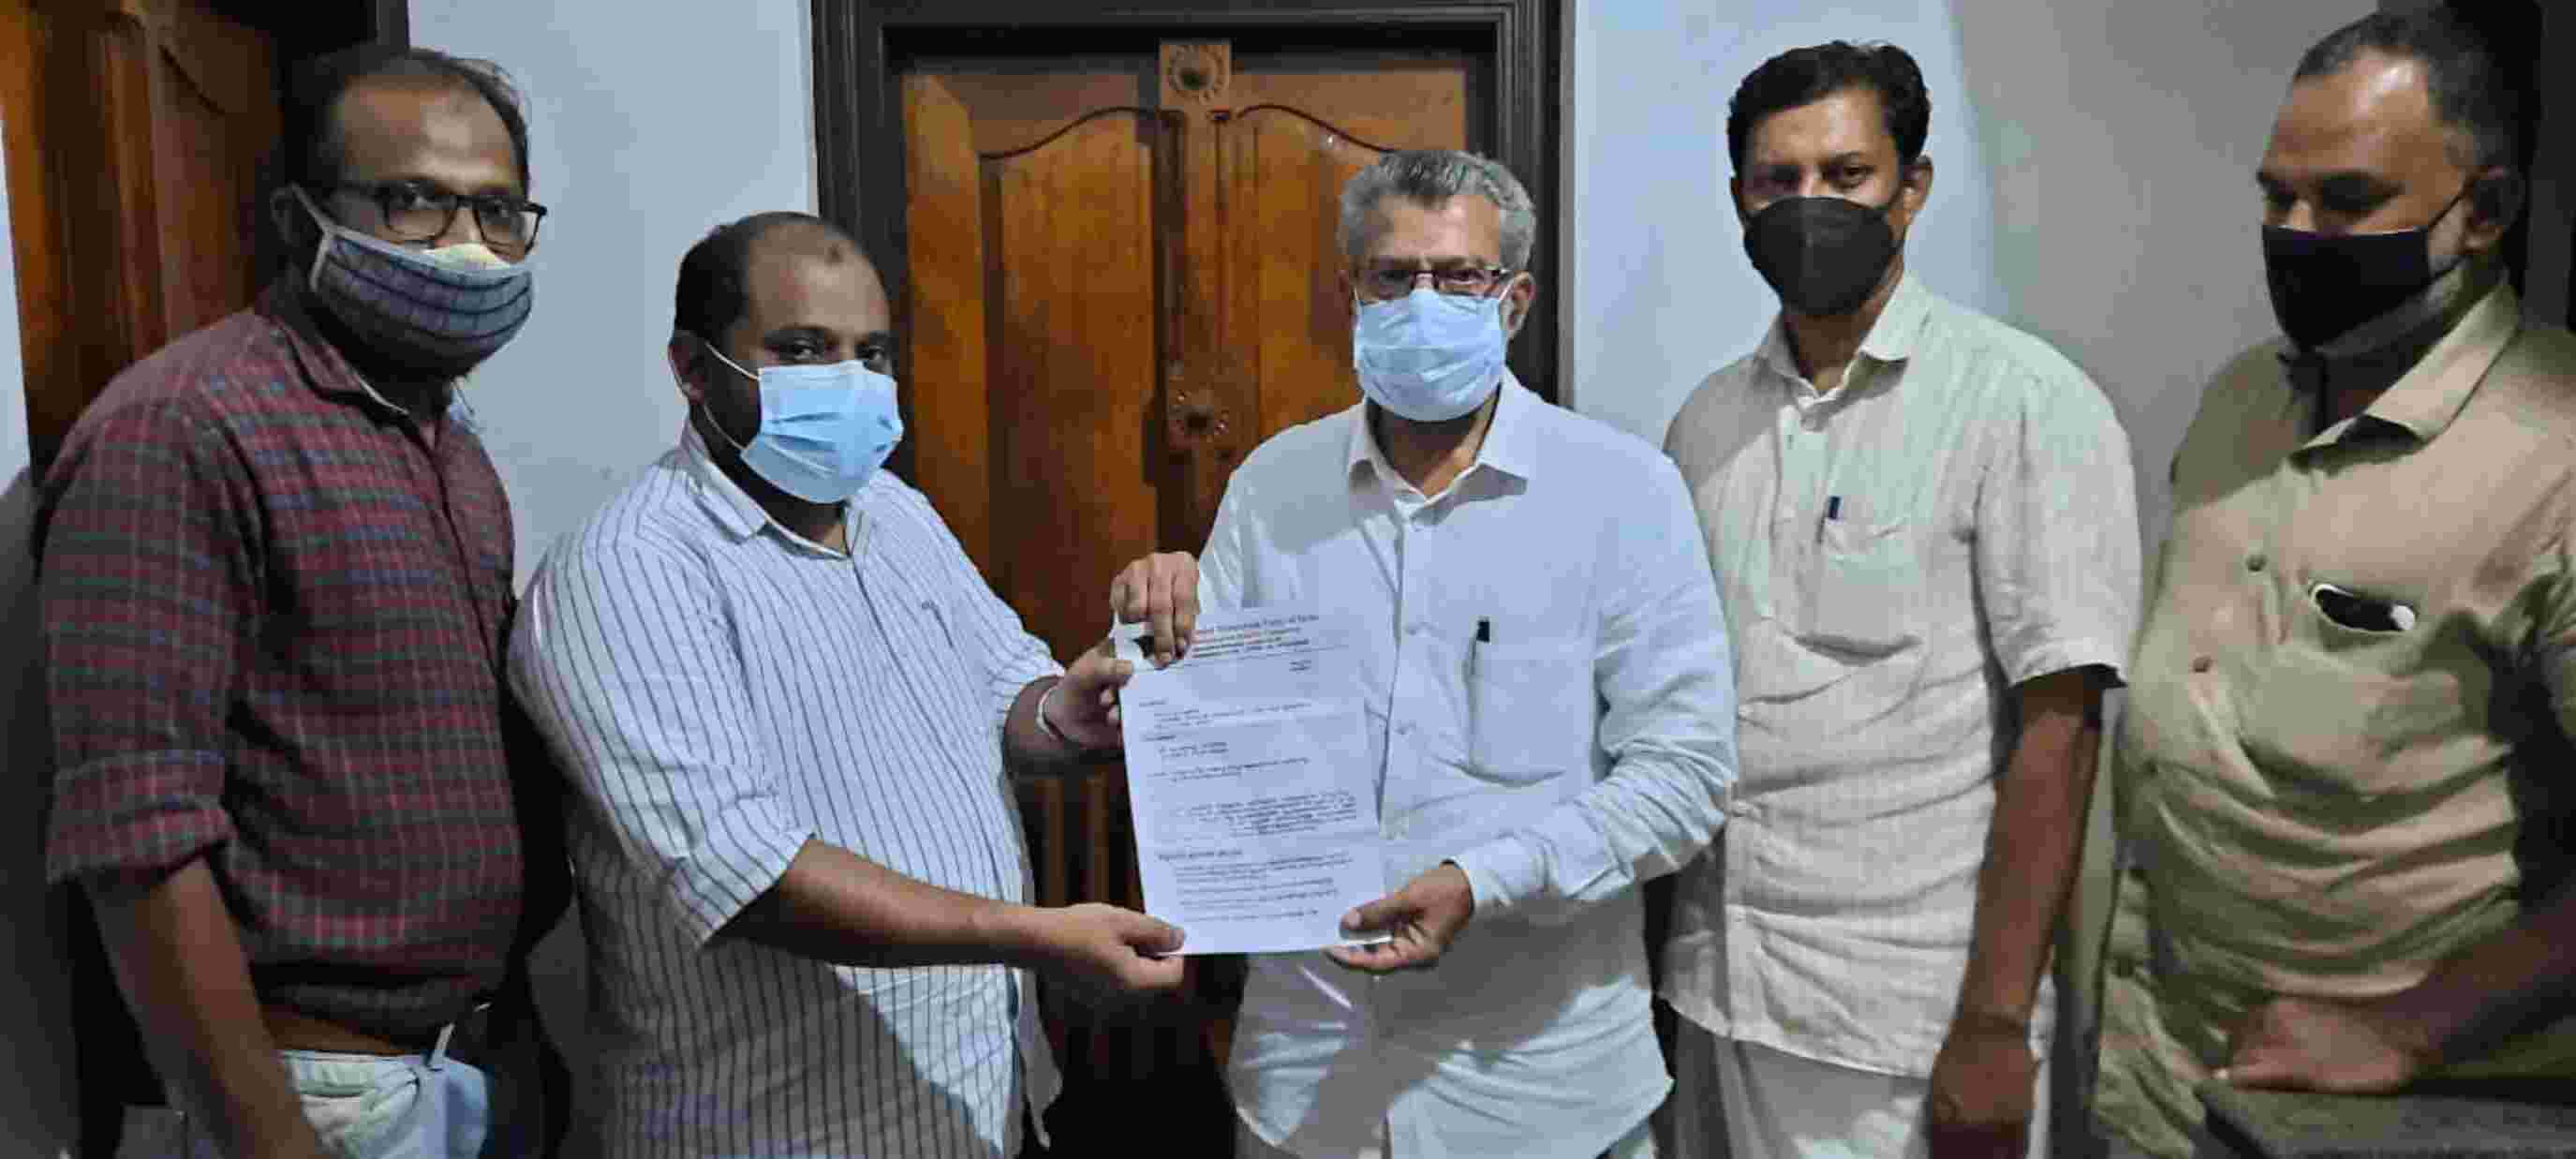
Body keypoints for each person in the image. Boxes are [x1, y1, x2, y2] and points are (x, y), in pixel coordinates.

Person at [505, 211, 1188, 1158]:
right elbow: (747, 873)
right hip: (777, 1132)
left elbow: (1008, 693)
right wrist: (1027, 935)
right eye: (802, 350)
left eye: (870, 354)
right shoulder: (629, 569)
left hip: (972, 1110)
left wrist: (1065, 714)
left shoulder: (891, 512)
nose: (850, 382)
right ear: (694, 369)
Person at [1112, 148, 1739, 1159]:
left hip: (1541, 1094)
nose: (1423, 302)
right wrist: (1150, 621)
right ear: (1350, 295)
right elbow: (1201, 728)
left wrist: (1483, 880)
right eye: (1393, 276)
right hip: (1309, 1086)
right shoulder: (1274, 486)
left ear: (1514, 301)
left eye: (1460, 277)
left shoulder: (1622, 492)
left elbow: (1685, 777)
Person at [37, 44, 568, 1159]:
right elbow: (136, 840)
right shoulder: (184, 429)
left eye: (497, 212)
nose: (467, 246)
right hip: (312, 1096)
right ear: (298, 219)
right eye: (414, 201)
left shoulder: (449, 448)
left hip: (466, 1072)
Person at [2094, 13, 2576, 1157]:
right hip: (2159, 1083)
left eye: (2346, 201)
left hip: (2382, 1118)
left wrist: (2408, 1028)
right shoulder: (2240, 404)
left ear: (2484, 211)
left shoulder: (2552, 459)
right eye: (2276, 197)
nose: (2295, 235)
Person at [1653, 40, 2140, 1159]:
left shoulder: (2022, 404)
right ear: (1737, 201)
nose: (1807, 204)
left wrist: (1991, 1027)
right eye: (1776, 180)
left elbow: (2060, 732)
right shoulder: (1704, 424)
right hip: (1719, 996)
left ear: (1909, 188)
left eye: (1844, 175)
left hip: (1905, 1026)